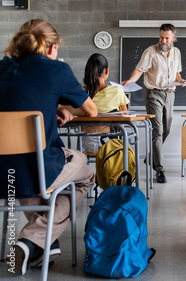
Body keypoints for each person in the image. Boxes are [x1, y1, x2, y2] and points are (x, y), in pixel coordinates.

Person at [0, 19, 97, 275]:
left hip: (5, 174)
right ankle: (31, 240)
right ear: (52, 48)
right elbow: (91, 110)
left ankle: (47, 245)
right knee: (85, 173)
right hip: (38, 168)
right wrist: (63, 107)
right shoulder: (57, 70)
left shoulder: (2, 68)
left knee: (27, 172)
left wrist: (51, 107)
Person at [121, 23, 185, 183]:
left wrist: (180, 80)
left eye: (167, 38)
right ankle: (159, 169)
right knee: (157, 130)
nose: (163, 41)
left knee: (167, 129)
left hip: (170, 93)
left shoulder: (177, 52)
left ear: (173, 38)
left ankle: (151, 157)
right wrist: (130, 80)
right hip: (153, 94)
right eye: (161, 37)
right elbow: (139, 70)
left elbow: (177, 73)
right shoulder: (150, 52)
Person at [82, 53, 130, 153]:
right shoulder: (117, 91)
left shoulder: (81, 93)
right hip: (111, 146)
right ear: (106, 70)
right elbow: (125, 118)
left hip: (89, 145)